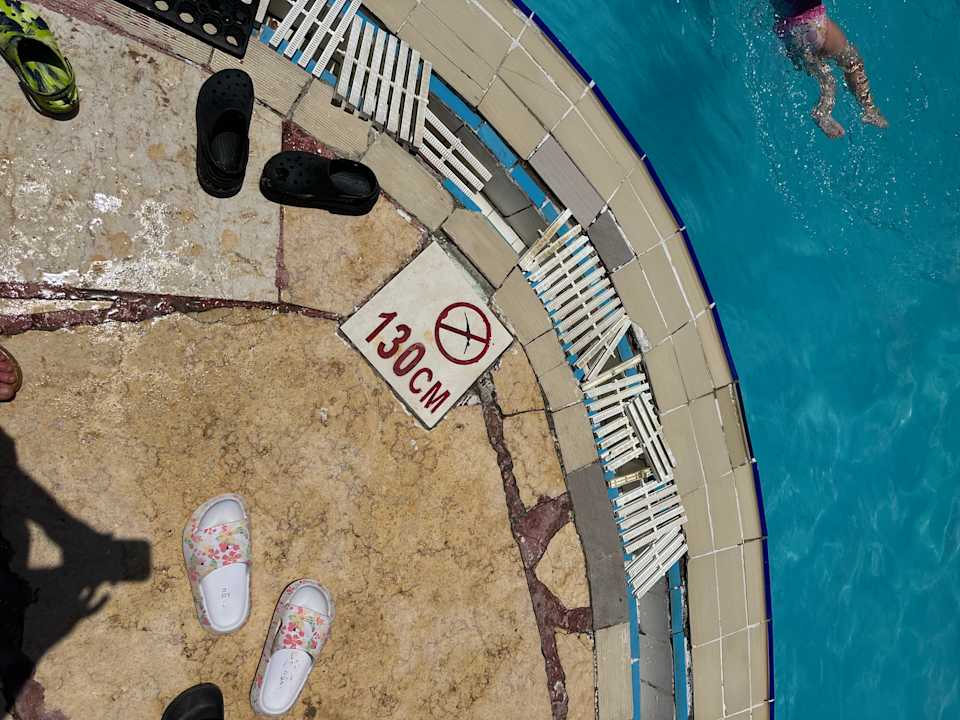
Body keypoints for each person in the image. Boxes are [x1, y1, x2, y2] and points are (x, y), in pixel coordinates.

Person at [772, 0, 888, 138]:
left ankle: (828, 111)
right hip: (812, 24)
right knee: (852, 62)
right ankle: (865, 109)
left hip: (790, 32)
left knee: (827, 79)